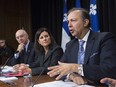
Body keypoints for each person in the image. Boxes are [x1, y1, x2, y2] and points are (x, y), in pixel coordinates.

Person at [47, 8, 116, 85]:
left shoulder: (104, 39)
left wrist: (75, 68)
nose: (69, 25)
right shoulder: (70, 45)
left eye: (73, 20)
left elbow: (109, 70)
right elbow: (60, 69)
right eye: (68, 22)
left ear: (85, 22)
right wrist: (72, 76)